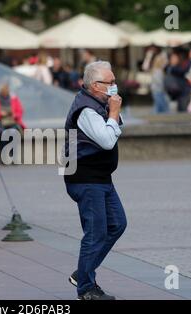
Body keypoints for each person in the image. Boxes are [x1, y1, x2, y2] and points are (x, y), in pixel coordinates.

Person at [64, 61, 126, 300]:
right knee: (96, 232)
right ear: (94, 85)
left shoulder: (99, 103)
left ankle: (83, 273)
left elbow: (117, 127)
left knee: (117, 224)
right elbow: (107, 140)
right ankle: (86, 289)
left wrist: (114, 114)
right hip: (85, 178)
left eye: (114, 81)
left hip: (101, 177)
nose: (114, 86)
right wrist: (113, 113)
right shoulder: (86, 110)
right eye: (109, 82)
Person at [164, 48, 191, 112]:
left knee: (182, 109)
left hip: (183, 92)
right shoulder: (169, 67)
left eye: (175, 58)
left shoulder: (179, 67)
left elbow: (182, 71)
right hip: (173, 92)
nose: (173, 59)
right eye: (172, 58)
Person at [143, 46, 169, 113]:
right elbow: (145, 67)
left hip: (159, 77)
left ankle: (162, 111)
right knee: (156, 94)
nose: (152, 50)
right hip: (153, 77)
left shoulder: (163, 54)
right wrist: (148, 56)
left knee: (159, 93)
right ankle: (160, 111)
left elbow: (164, 65)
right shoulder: (151, 56)